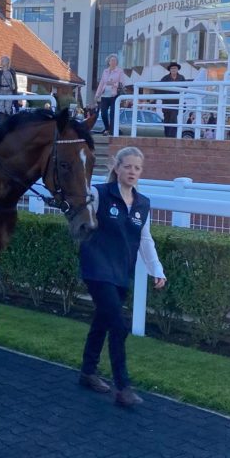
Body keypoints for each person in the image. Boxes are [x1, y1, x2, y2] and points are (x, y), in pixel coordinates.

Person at [78, 146, 166, 407]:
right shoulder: (99, 193)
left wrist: (157, 270)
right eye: (127, 166)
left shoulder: (143, 204)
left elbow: (145, 239)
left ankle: (87, 372)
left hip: (120, 273)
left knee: (103, 321)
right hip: (96, 268)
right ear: (116, 168)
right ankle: (123, 387)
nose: (132, 172)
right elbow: (79, 220)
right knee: (118, 325)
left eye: (137, 168)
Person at [94, 55, 128, 135]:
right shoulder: (105, 71)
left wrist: (113, 84)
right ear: (108, 62)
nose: (113, 62)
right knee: (103, 113)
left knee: (113, 113)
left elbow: (122, 83)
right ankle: (107, 128)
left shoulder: (119, 71)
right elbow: (102, 83)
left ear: (116, 63)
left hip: (114, 95)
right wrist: (97, 94)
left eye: (115, 61)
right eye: (111, 60)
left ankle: (112, 130)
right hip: (104, 95)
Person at [159, 62, 186, 138]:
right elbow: (159, 89)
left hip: (176, 103)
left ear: (178, 69)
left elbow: (185, 88)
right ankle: (167, 136)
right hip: (166, 103)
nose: (173, 70)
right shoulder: (165, 78)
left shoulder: (181, 78)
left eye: (175, 68)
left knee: (173, 119)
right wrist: (164, 98)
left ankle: (173, 137)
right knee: (167, 120)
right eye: (172, 68)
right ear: (169, 70)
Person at [0, 56, 18, 122]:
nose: (1, 62)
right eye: (1, 60)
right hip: (1, 91)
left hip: (9, 91)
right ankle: (1, 122)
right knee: (1, 108)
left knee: (8, 108)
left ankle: (7, 122)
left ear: (7, 62)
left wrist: (15, 93)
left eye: (3, 60)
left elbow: (15, 83)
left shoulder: (12, 72)